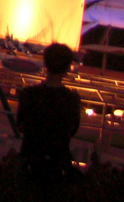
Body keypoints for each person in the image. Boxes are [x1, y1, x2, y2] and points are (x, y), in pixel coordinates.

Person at [15, 42, 82, 199]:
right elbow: (73, 129)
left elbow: (20, 125)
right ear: (67, 68)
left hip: (31, 161)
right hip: (58, 164)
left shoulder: (29, 94)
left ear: (45, 64)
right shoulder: (71, 100)